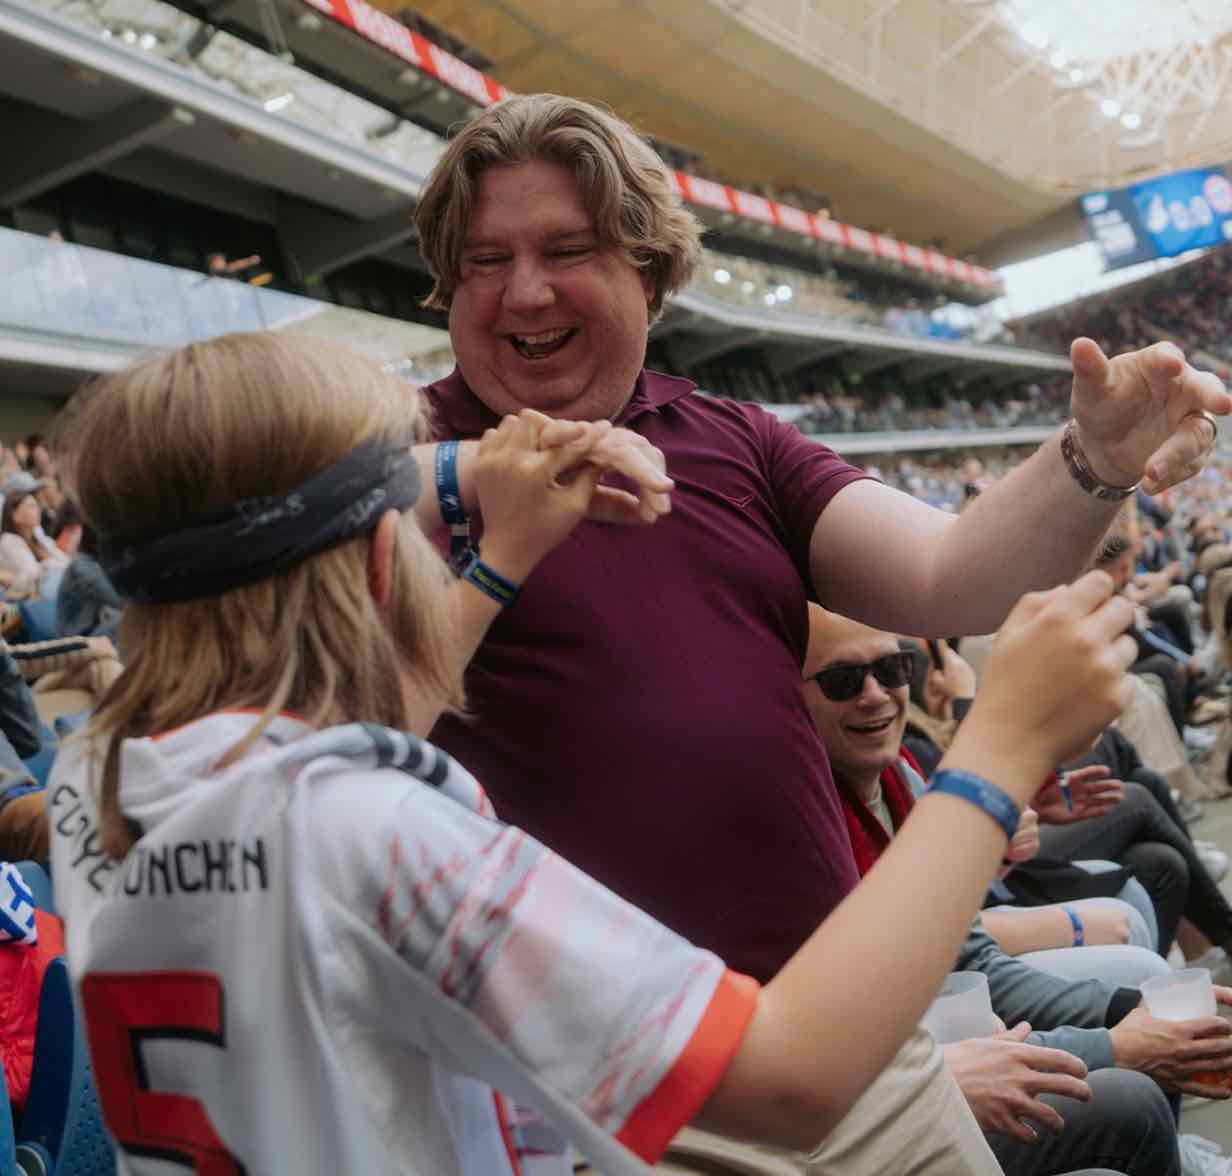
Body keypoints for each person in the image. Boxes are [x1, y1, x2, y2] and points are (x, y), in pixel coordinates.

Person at [50, 331, 1134, 1175]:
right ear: (385, 561)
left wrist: (501, 548)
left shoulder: (96, 775)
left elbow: (363, 723)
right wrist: (997, 747)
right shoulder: (374, 834)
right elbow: (794, 1078)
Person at [405, 92, 1227, 1173]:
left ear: (648, 270)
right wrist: (479, 475)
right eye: (484, 261)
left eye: (566, 250)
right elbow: (254, 504)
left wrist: (1093, 460)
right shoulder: (403, 464)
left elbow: (950, 575)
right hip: (601, 1095)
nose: (523, 291)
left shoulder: (734, 440)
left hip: (848, 1038)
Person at [802, 607, 1232, 1176]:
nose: (876, 694)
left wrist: (1130, 1011)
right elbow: (862, 1050)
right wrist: (1117, 1041)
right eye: (842, 681)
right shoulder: (805, 828)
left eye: (892, 669)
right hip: (878, 1101)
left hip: (939, 1016)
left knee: (1148, 878)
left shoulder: (898, 776)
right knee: (1130, 1082)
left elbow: (969, 954)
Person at [0, 474, 68, 598]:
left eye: (36, 505)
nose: (38, 510)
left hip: (48, 594)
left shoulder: (38, 535)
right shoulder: (9, 540)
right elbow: (32, 572)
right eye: (31, 507)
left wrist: (50, 565)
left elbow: (67, 562)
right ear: (14, 515)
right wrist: (49, 565)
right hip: (28, 601)